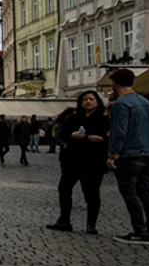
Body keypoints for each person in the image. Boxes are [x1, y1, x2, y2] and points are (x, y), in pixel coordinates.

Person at [107, 68, 149, 245]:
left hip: (130, 153)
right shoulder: (145, 102)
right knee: (145, 191)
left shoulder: (121, 104)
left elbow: (119, 131)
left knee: (130, 192)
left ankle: (140, 231)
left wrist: (113, 153)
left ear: (114, 84)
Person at [45, 91, 110, 234]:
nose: (88, 102)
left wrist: (101, 139)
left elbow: (110, 138)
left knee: (92, 193)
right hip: (72, 159)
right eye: (85, 99)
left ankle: (91, 224)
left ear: (97, 102)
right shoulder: (72, 118)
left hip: (93, 160)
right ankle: (64, 220)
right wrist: (71, 135)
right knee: (64, 189)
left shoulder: (104, 119)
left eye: (91, 99)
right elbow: (61, 135)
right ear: (80, 102)